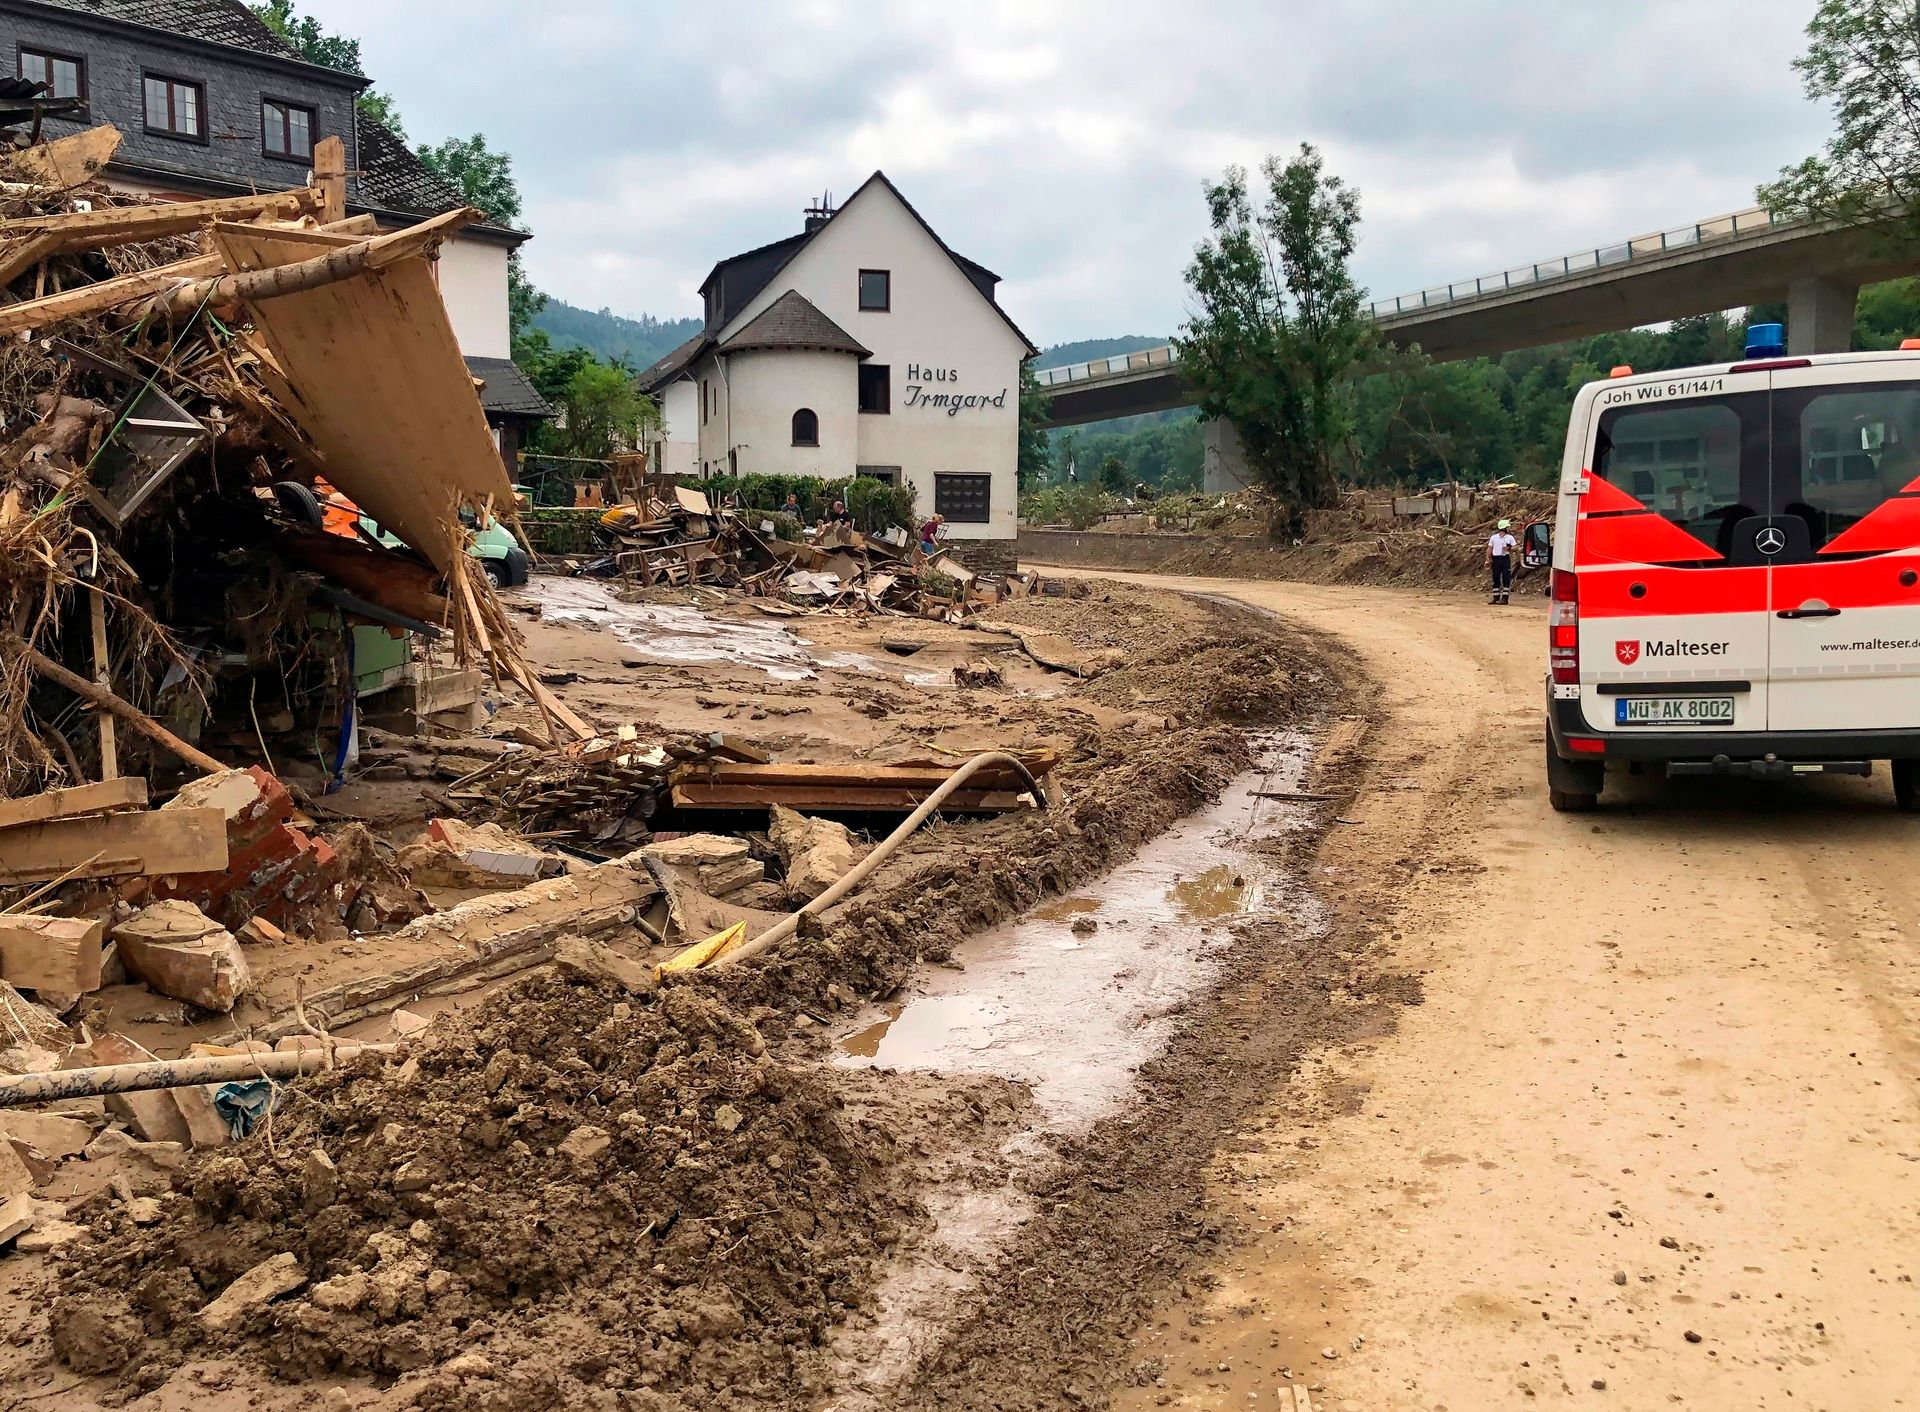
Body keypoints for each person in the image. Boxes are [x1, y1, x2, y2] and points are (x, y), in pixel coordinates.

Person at [1486, 518, 1517, 605]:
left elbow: (1515, 547)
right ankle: (1496, 597)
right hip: (1496, 559)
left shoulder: (1510, 538)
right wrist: (1488, 559)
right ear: (1504, 528)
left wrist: (1509, 548)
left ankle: (1505, 598)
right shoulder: (1494, 538)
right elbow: (1489, 548)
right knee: (1495, 577)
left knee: (1506, 578)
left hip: (1505, 559)